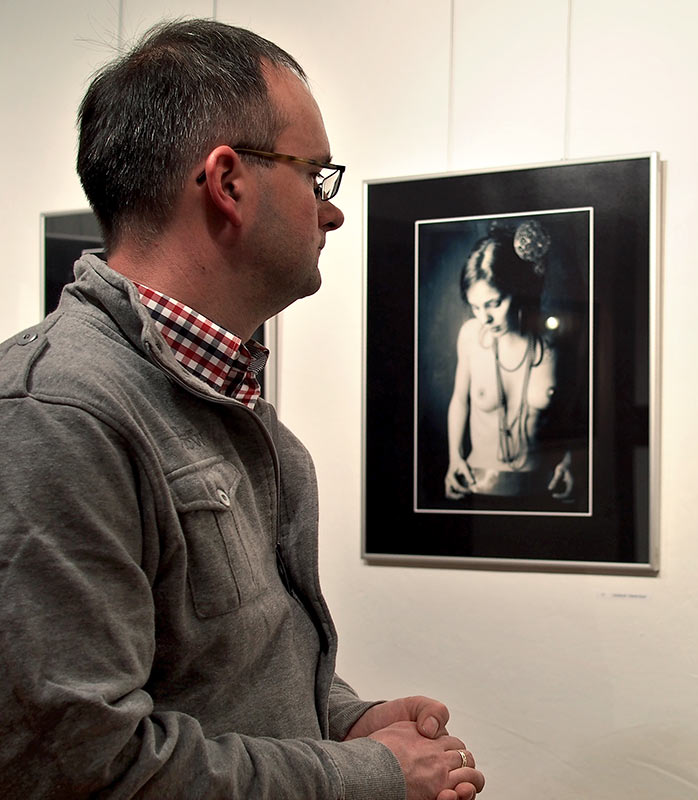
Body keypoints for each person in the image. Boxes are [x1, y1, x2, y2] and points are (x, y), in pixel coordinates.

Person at [0, 19, 484, 800]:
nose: (331, 212)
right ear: (228, 182)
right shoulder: (56, 412)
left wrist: (342, 718)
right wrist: (373, 774)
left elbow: (215, 673)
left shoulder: (219, 398)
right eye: (315, 176)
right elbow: (83, 769)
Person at [443, 220, 575, 503]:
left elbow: (572, 412)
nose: (485, 318)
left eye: (494, 304)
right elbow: (459, 400)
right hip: (479, 485)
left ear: (518, 290)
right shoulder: (470, 336)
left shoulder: (553, 344)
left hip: (543, 486)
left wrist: (570, 461)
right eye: (475, 307)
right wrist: (454, 456)